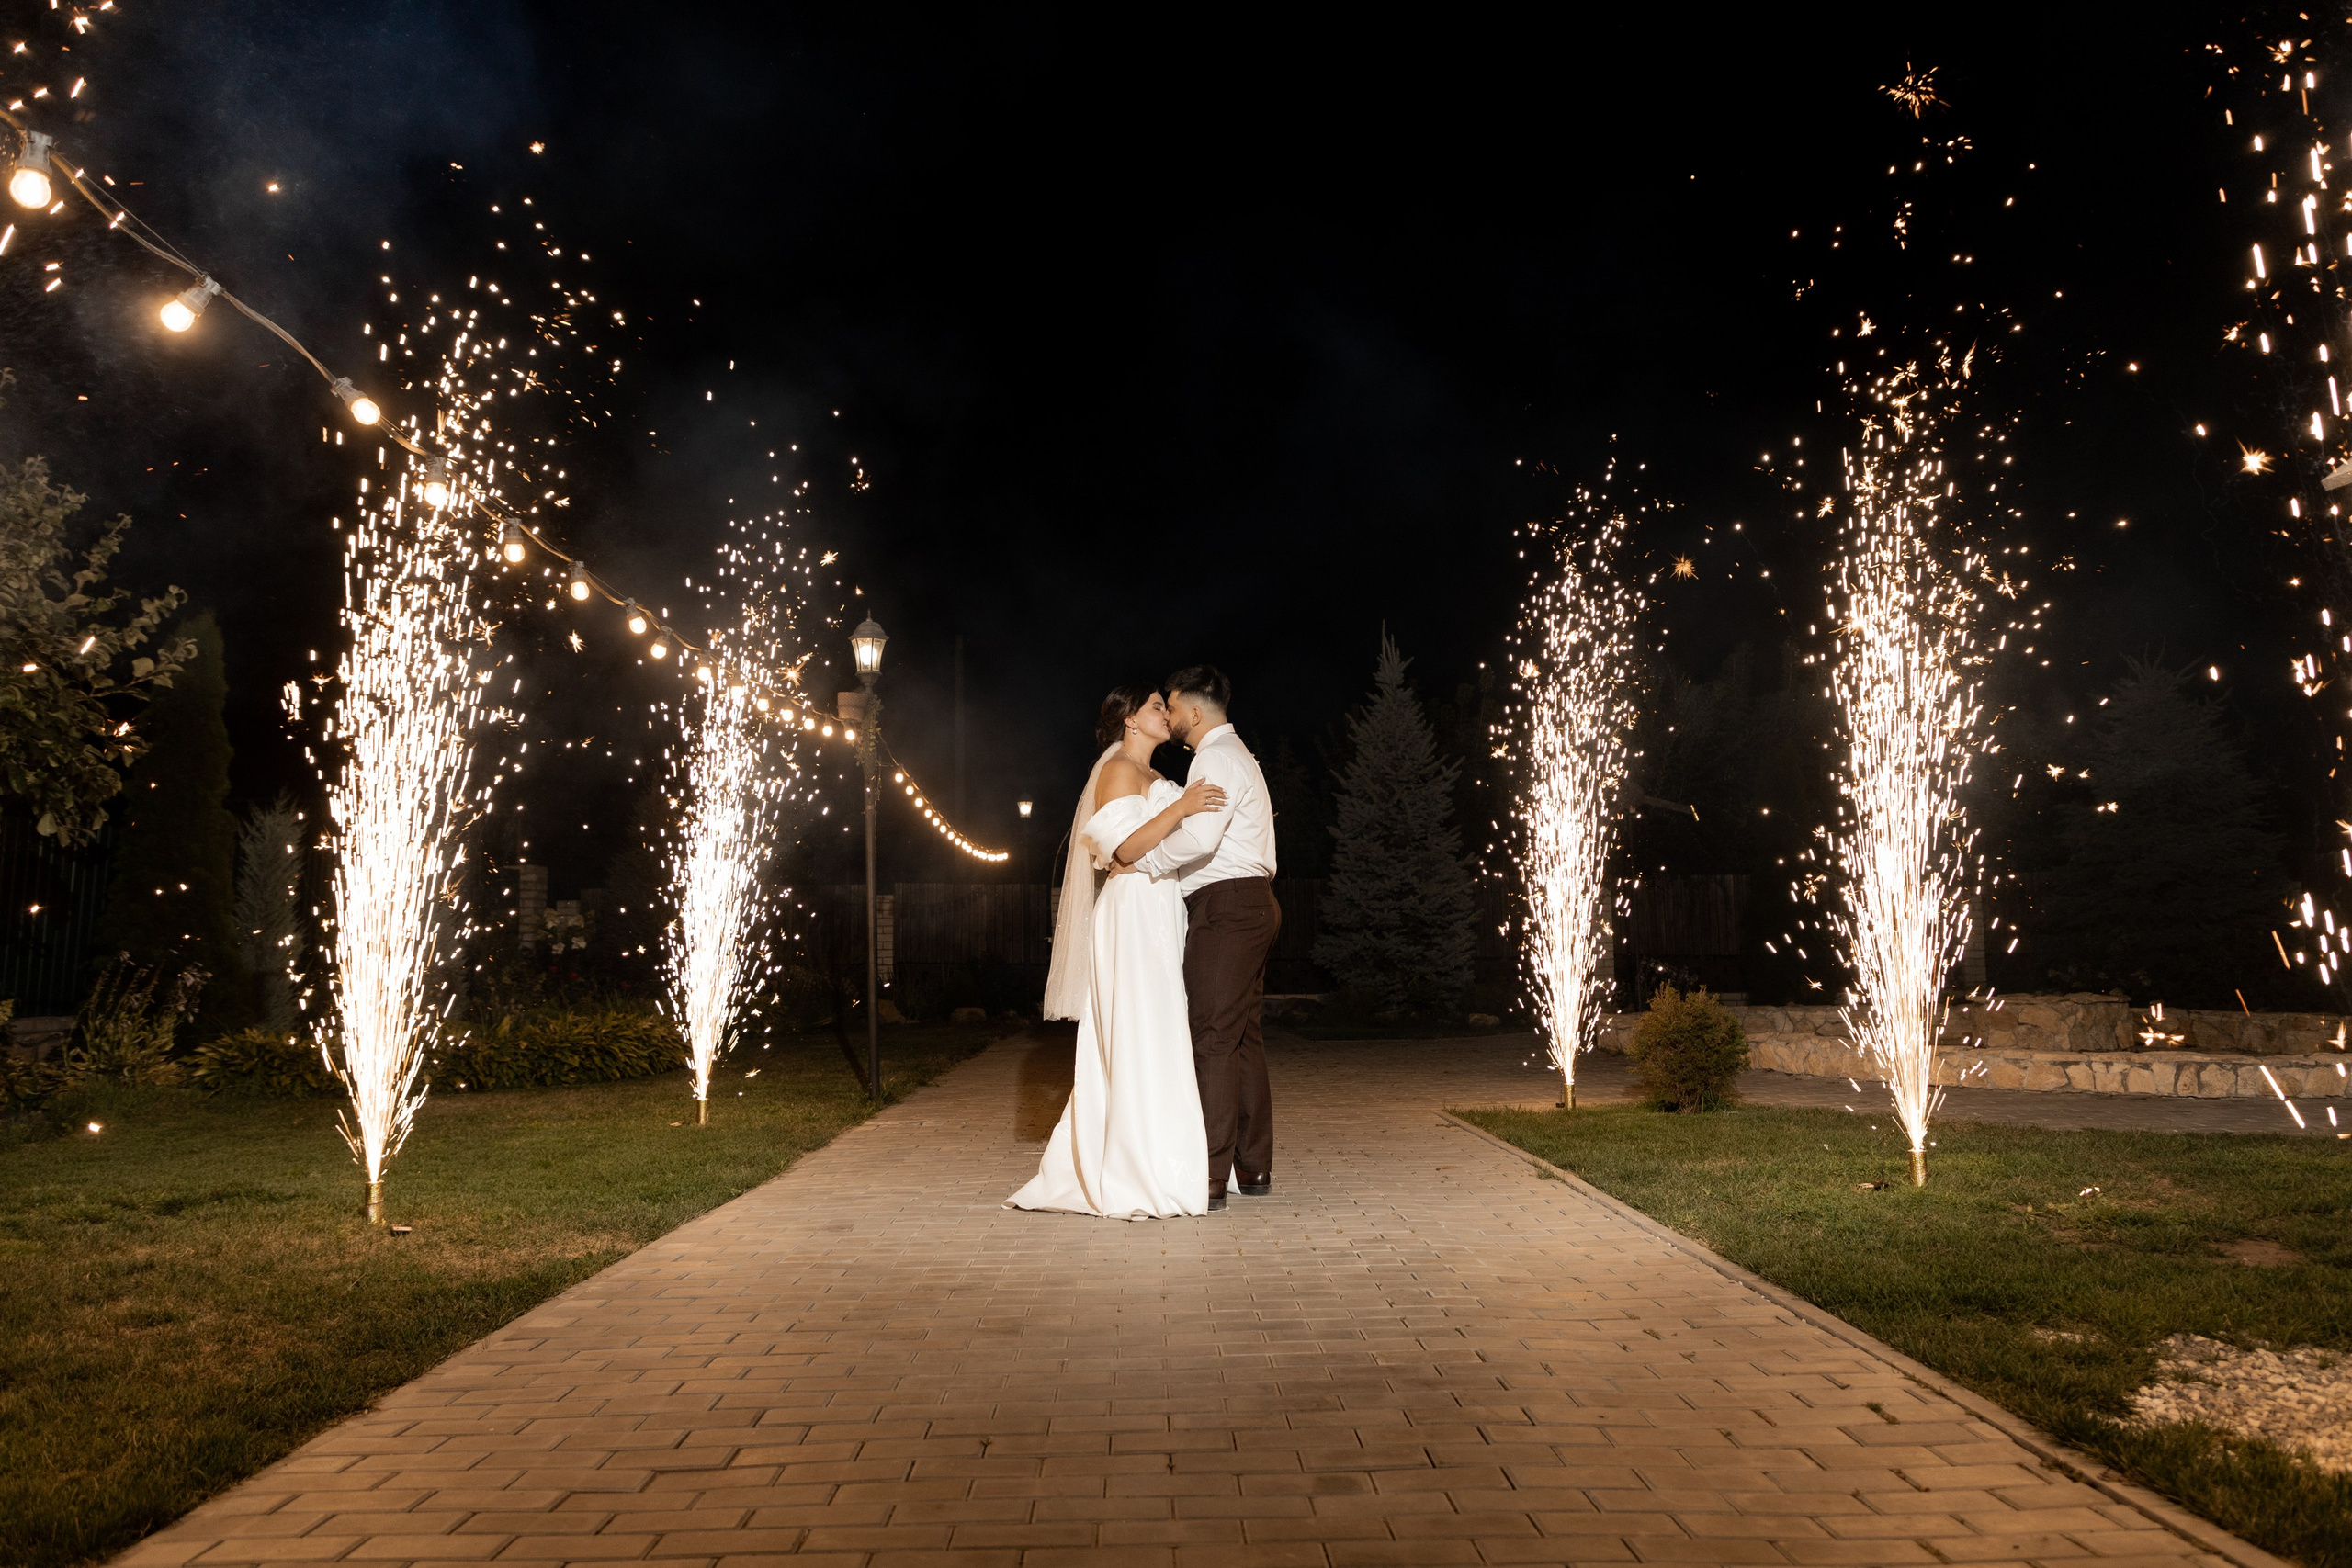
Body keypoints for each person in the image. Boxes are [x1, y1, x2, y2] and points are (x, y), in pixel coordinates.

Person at [1005, 684, 1226, 1219]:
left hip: (1159, 908)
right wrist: (1185, 808)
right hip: (1131, 913)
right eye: (1155, 706)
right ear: (1129, 721)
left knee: (1159, 1030)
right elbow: (1124, 849)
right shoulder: (1121, 770)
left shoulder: (1154, 777)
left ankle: (1162, 1160)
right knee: (1136, 1033)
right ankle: (1131, 1172)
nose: (1163, 714)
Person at [1118, 666, 1278, 1211]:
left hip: (1228, 907)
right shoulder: (1240, 755)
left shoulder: (1212, 757)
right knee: (1241, 1038)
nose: (1168, 714)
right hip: (1253, 900)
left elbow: (1203, 837)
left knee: (1212, 1036)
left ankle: (1209, 1177)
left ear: (1193, 710)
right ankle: (1253, 1168)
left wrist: (1148, 864)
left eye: (1172, 705)